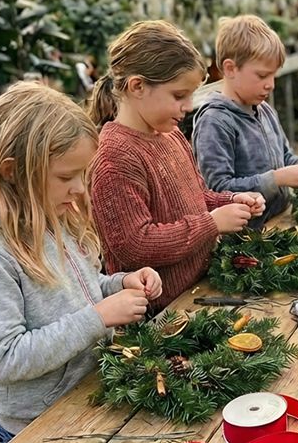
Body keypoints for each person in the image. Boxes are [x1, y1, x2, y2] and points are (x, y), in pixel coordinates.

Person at [0, 82, 162, 443]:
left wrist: (120, 284)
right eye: (66, 177)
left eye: (82, 174)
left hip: (87, 396)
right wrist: (100, 316)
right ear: (12, 171)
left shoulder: (51, 217)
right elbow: (4, 359)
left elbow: (82, 288)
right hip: (38, 431)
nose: (80, 189)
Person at [87, 20, 265, 310]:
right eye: (179, 95)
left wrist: (230, 200)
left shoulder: (169, 135)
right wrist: (212, 223)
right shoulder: (115, 158)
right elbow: (135, 246)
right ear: (137, 86)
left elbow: (195, 197)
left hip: (198, 290)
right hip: (164, 315)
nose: (189, 105)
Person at [193, 15, 298, 225]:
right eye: (262, 75)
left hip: (279, 222)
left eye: (273, 75)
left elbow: (283, 158)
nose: (271, 84)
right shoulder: (215, 122)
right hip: (247, 241)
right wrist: (276, 179)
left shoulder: (264, 110)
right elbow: (217, 190)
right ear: (230, 69)